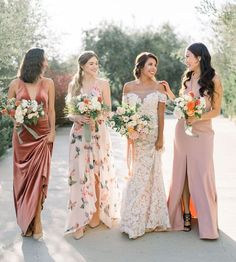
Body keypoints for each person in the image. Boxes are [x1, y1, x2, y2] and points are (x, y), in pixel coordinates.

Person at [163, 42, 223, 239]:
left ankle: (208, 222)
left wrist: (197, 117)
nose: (185, 60)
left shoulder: (214, 79)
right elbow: (182, 104)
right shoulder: (187, 78)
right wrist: (170, 95)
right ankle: (185, 216)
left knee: (202, 174)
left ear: (199, 57)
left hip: (203, 133)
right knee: (183, 174)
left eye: (188, 56)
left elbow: (215, 110)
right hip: (182, 131)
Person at [64, 51, 119, 240]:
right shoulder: (74, 85)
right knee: (80, 175)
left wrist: (96, 117)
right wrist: (78, 117)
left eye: (96, 63)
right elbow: (69, 113)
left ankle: (95, 214)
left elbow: (108, 110)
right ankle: (79, 220)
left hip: (98, 133)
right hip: (79, 135)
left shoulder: (103, 84)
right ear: (82, 66)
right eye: (91, 64)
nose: (95, 67)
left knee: (96, 173)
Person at [120, 52, 170, 239]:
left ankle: (151, 218)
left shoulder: (160, 88)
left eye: (155, 65)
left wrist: (160, 138)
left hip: (152, 138)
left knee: (151, 176)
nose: (153, 68)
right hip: (135, 138)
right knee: (137, 176)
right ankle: (133, 218)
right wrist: (129, 132)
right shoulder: (128, 87)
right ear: (140, 66)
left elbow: (161, 115)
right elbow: (125, 114)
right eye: (150, 64)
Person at [8, 48, 55, 240]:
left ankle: (36, 222)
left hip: (43, 136)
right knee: (23, 180)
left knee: (38, 178)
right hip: (22, 137)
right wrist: (17, 119)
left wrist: (52, 132)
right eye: (45, 59)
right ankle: (26, 219)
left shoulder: (49, 83)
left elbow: (50, 110)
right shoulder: (15, 83)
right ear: (37, 61)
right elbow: (9, 109)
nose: (47, 62)